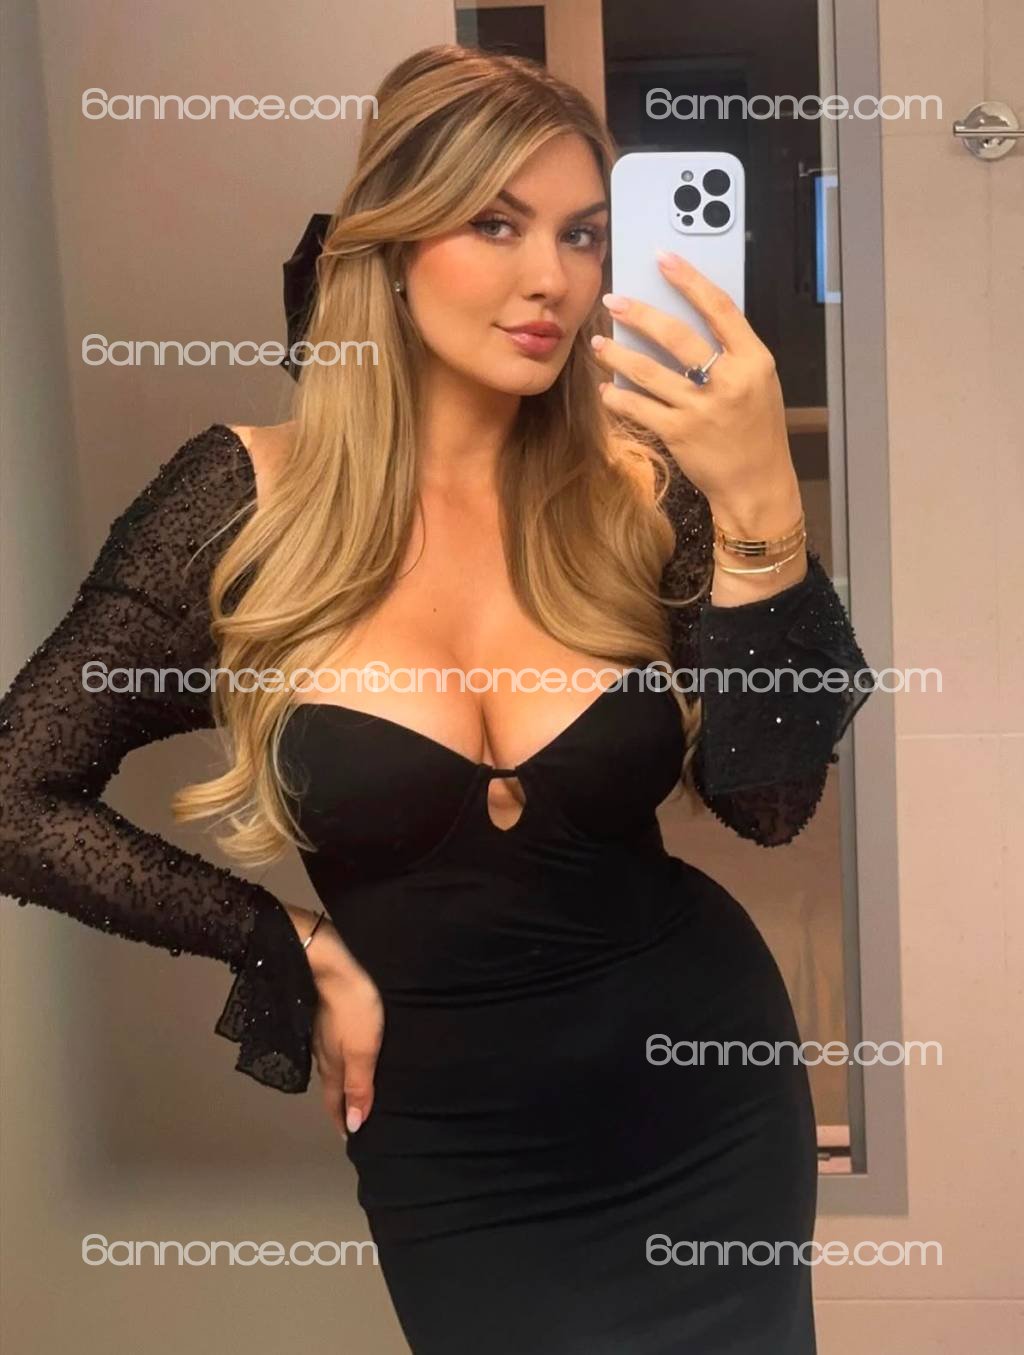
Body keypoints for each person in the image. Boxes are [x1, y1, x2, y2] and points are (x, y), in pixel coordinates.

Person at [0, 44, 874, 1355]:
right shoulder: (243, 505)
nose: (553, 278)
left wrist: (760, 508)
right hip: (462, 1155)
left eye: (582, 233)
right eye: (496, 224)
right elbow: (14, 794)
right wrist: (284, 941)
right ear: (393, 246)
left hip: (706, 1094)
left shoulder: (638, 488)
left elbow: (770, 801)